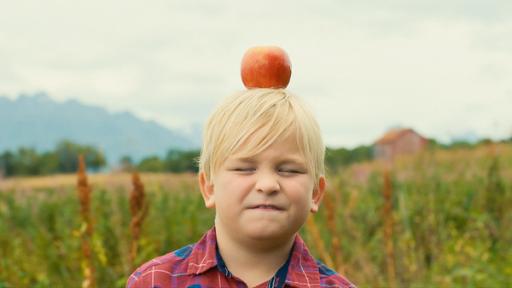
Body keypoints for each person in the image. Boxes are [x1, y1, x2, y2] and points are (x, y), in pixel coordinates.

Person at [126, 88, 356, 287]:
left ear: (315, 193)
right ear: (209, 188)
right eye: (245, 168)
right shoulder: (155, 281)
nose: (267, 185)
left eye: (289, 170)